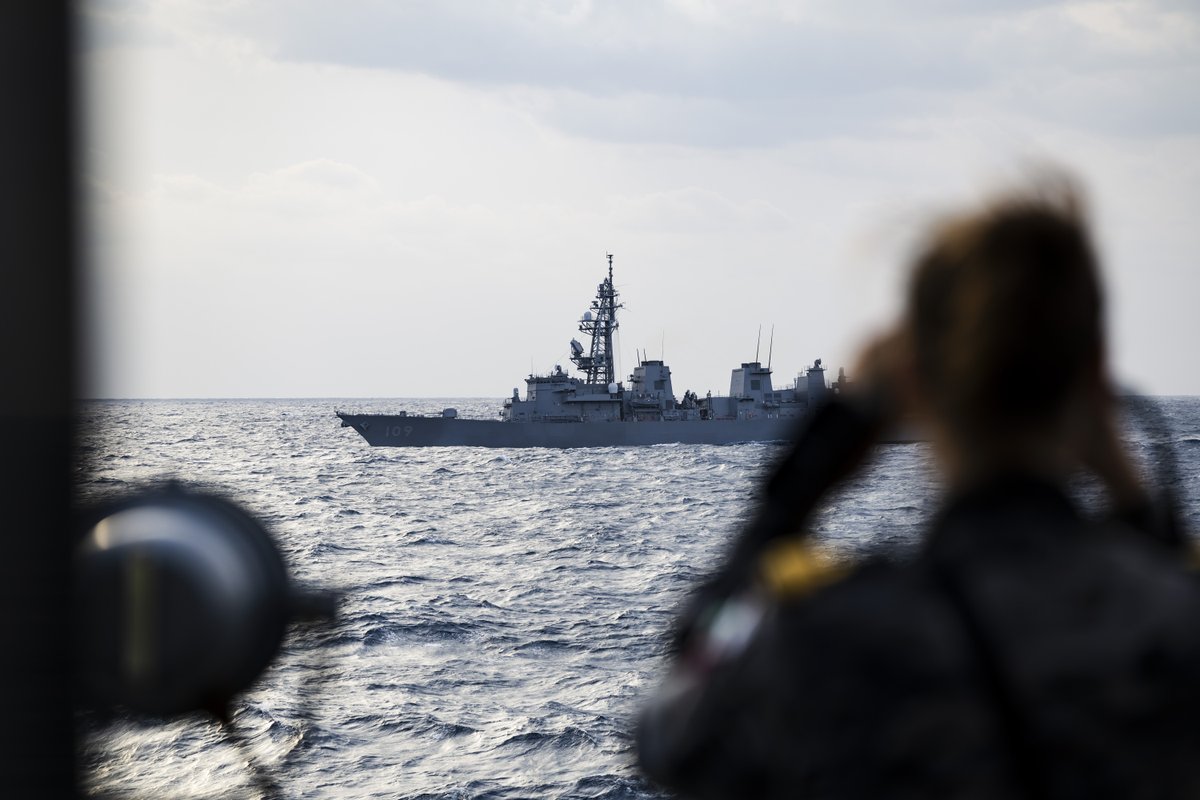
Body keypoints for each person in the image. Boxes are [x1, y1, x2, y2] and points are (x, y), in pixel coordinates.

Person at [637, 177, 1199, 799]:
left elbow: (669, 733)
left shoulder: (831, 636)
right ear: (1094, 378)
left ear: (911, 385)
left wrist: (795, 488)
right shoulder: (1171, 618)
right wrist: (1134, 496)